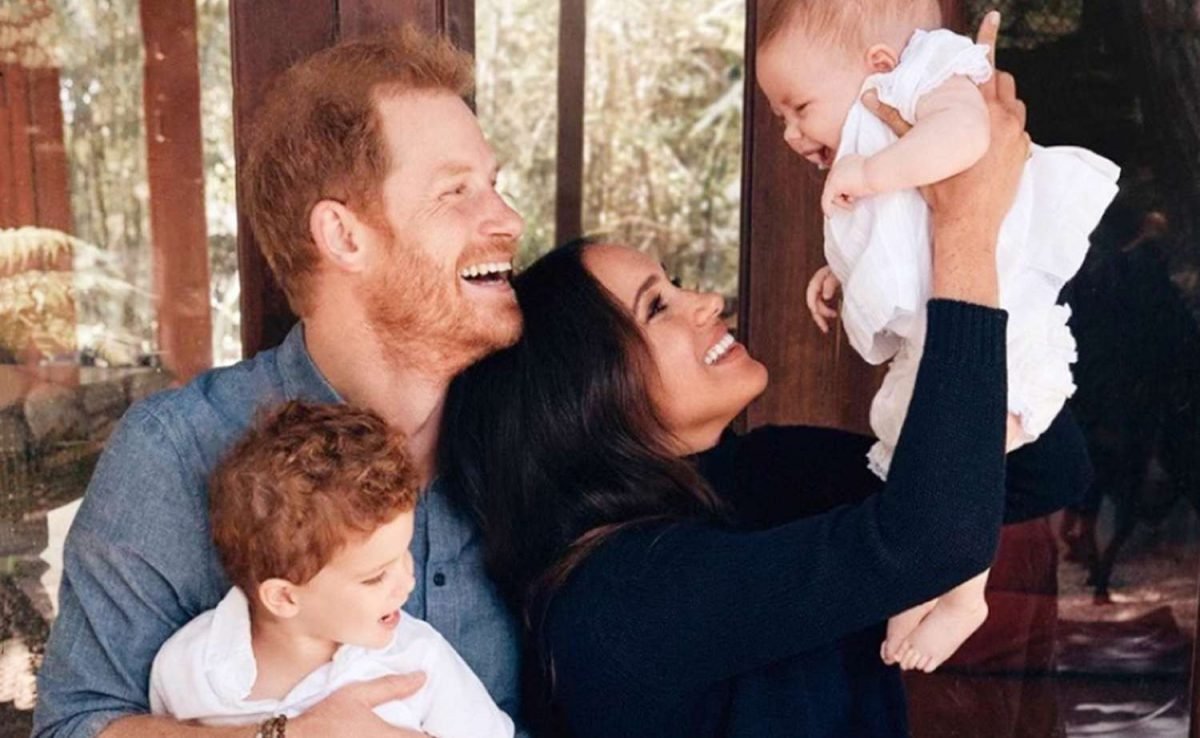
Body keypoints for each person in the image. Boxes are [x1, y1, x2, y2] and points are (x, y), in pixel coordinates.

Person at [439, 15, 1091, 738]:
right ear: (585, 396)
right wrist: (962, 228)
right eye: (658, 307)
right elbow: (931, 540)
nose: (705, 303)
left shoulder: (760, 475)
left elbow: (1040, 473)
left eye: (677, 282)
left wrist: (960, 240)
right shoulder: (619, 599)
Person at [33, 27, 528, 738]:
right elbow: (71, 726)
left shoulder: (527, 429)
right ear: (344, 236)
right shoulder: (176, 454)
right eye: (457, 191)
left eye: (495, 186)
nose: (506, 219)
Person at [754, 0, 1118, 670]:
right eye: (781, 116)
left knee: (964, 455)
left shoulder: (929, 78)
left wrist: (866, 174)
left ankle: (963, 594)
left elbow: (966, 140)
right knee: (917, 448)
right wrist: (838, 273)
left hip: (1004, 329)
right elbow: (903, 238)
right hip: (948, 329)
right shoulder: (885, 130)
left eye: (798, 108)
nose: (788, 133)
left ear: (880, 66)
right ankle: (925, 580)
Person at [148, 402, 513, 738]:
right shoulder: (187, 668)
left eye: (405, 555)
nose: (407, 583)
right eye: (375, 577)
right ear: (285, 596)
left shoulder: (416, 660)